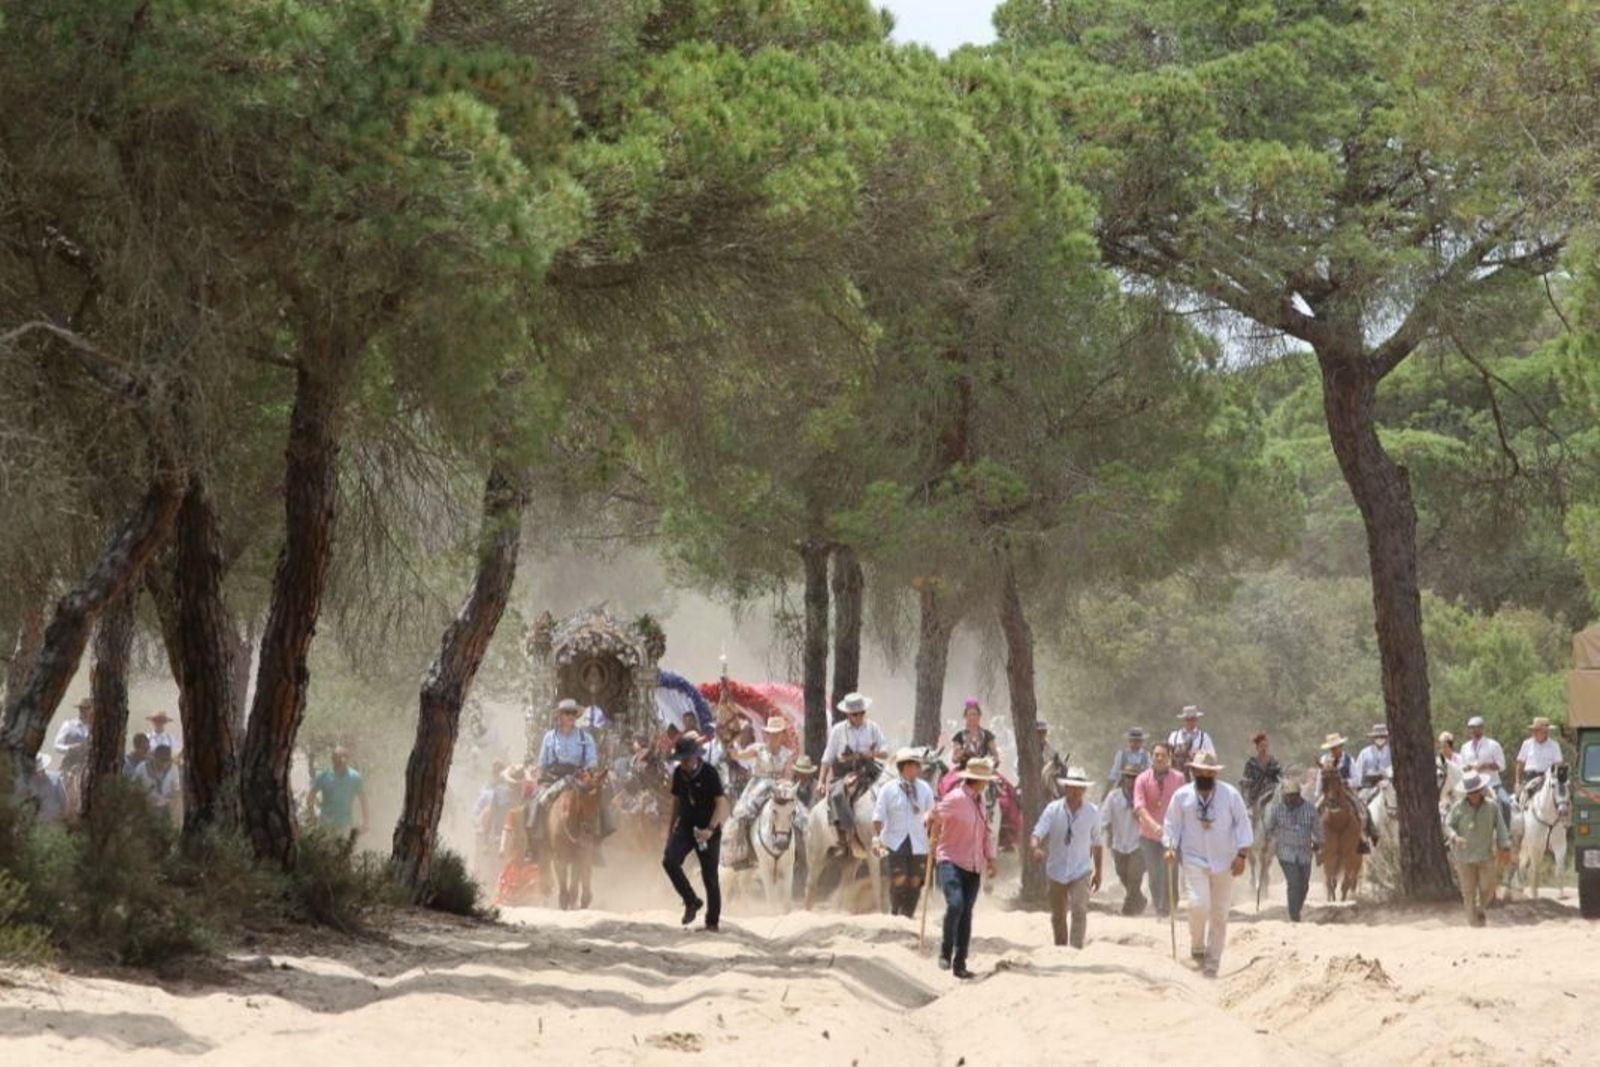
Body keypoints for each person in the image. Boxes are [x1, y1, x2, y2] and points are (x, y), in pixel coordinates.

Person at [1163, 751, 1252, 979]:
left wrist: (1242, 854)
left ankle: (1212, 964)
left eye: (1209, 772)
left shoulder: (1230, 795)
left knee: (1220, 914)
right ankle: (1197, 945)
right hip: (1194, 859)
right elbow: (1171, 824)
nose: (1204, 774)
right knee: (1198, 904)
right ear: (1193, 771)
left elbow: (1243, 823)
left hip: (1226, 861)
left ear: (1215, 773)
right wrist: (1170, 847)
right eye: (1200, 771)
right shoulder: (1182, 796)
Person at [932, 757, 998, 978]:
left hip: (973, 865)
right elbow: (934, 815)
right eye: (984, 780)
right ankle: (945, 951)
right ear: (976, 780)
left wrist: (991, 858)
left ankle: (960, 963)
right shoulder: (955, 798)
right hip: (950, 860)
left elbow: (986, 832)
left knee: (967, 912)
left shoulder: (981, 802)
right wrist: (930, 821)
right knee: (956, 904)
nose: (986, 784)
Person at [662, 735, 728, 931]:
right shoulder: (678, 774)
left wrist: (710, 829)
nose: (684, 763)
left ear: (695, 757)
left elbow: (721, 803)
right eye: (681, 760)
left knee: (710, 877)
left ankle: (712, 922)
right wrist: (670, 829)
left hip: (708, 828)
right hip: (685, 827)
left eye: (687, 759)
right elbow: (675, 802)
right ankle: (691, 900)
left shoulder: (709, 773)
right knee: (669, 861)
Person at [1032, 767, 1103, 948]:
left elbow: (1097, 843)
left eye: (1080, 787)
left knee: (1079, 909)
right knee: (1058, 914)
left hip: (1081, 870)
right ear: (1066, 788)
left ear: (1084, 790)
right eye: (1072, 787)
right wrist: (1036, 848)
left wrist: (1099, 872)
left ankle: (1076, 947)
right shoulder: (1053, 809)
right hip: (1056, 869)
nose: (1075, 791)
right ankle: (1061, 947)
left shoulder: (1092, 812)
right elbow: (1037, 833)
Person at [526, 698, 602, 855]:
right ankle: (536, 843)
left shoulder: (586, 738)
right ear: (559, 716)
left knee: (597, 802)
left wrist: (587, 773)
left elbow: (592, 762)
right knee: (537, 801)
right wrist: (538, 774)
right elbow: (542, 762)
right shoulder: (549, 737)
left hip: (578, 778)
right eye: (567, 713)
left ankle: (596, 845)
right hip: (553, 778)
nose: (571, 716)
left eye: (573, 713)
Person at [820, 692, 888, 856]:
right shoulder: (838, 730)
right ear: (848, 714)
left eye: (862, 713)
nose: (859, 717)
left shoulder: (873, 727)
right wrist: (821, 781)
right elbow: (828, 757)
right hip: (847, 771)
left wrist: (870, 754)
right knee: (836, 794)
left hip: (871, 769)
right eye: (855, 714)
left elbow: (885, 751)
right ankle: (844, 835)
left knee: (891, 787)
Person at [725, 716, 798, 869]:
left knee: (799, 815)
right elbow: (739, 755)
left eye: (777, 733)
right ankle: (740, 852)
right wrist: (731, 746)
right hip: (758, 786)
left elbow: (788, 776)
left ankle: (798, 854)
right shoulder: (758, 749)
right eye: (771, 733)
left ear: (782, 735)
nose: (774, 737)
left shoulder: (788, 754)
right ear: (766, 735)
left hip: (779, 787)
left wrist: (781, 786)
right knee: (742, 814)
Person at [872, 748, 937, 918]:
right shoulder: (888, 789)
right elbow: (878, 816)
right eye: (916, 765)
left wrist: (933, 822)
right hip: (895, 841)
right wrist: (875, 839)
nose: (919, 769)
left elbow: (931, 812)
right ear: (905, 767)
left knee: (915, 880)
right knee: (900, 879)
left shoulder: (925, 789)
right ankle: (895, 912)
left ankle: (908, 915)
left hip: (919, 842)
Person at [1446, 772, 1511, 927]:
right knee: (1468, 894)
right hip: (1463, 857)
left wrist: (1505, 846)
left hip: (1485, 856)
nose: (1473, 794)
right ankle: (1474, 926)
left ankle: (1480, 909)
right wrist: (1454, 837)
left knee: (1487, 888)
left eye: (1476, 791)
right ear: (1466, 793)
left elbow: (1501, 828)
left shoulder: (1492, 807)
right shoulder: (1458, 807)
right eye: (1470, 792)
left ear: (1481, 789)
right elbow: (1448, 825)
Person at [1133, 742, 1186, 918]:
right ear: (1151, 757)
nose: (1159, 758)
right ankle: (1158, 904)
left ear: (1170, 758)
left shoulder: (1179, 778)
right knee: (1154, 874)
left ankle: (1168, 907)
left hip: (1171, 834)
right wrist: (1153, 825)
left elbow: (1183, 804)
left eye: (1163, 755)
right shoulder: (1142, 779)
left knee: (1169, 869)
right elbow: (1139, 806)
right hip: (1148, 834)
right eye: (1156, 754)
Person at [1267, 778, 1322, 922]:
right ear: (1284, 795)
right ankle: (1294, 916)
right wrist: (1270, 840)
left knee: (1304, 886)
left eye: (1294, 795)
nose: (1291, 799)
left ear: (1299, 795)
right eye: (1288, 795)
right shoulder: (1277, 809)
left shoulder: (1310, 809)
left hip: (1305, 853)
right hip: (1286, 853)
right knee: (1293, 883)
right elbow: (1270, 828)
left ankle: (1296, 908)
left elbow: (1318, 830)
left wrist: (1319, 843)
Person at [1099, 764, 1147, 915]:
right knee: (1123, 874)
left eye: (1134, 777)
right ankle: (1139, 899)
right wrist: (1107, 834)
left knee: (1134, 874)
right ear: (1123, 778)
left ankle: (1129, 907)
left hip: (1139, 843)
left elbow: (1154, 818)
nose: (1131, 781)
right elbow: (1104, 818)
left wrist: (1141, 817)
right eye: (1128, 777)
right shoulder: (1114, 796)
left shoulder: (1144, 796)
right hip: (1119, 843)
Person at [1459, 716, 1510, 824]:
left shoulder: (1493, 745)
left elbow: (1502, 765)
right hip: (1471, 786)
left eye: (1476, 727)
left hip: (1492, 784)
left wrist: (1484, 766)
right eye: (1471, 727)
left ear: (1482, 728)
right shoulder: (1465, 747)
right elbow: (1461, 766)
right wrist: (1468, 767)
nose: (1473, 730)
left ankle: (1506, 833)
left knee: (1506, 802)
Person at [310, 745, 369, 838]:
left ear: (348, 759)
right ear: (333, 759)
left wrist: (366, 822)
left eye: (345, 756)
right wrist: (311, 817)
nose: (342, 760)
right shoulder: (324, 775)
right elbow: (311, 796)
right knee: (326, 850)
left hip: (345, 824)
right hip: (326, 824)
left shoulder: (355, 777)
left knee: (343, 849)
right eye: (339, 757)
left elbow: (363, 800)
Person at [1514, 716, 1565, 797]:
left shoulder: (1554, 745)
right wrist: (1517, 783)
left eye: (1544, 731)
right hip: (1530, 778)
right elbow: (1520, 764)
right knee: (1517, 800)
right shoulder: (1526, 744)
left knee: (1561, 800)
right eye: (1537, 730)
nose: (1541, 732)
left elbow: (1558, 764)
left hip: (1548, 779)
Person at [134, 744, 182, 821]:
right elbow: (132, 788)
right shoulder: (141, 768)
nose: (164, 765)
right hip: (144, 808)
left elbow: (177, 789)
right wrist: (144, 796)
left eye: (166, 761)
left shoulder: (173, 769)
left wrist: (173, 794)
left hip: (165, 808)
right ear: (154, 757)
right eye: (161, 761)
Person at [950, 700, 1001, 770]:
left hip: (984, 771)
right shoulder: (958, 736)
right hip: (964, 770)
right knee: (947, 781)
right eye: (969, 715)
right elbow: (954, 759)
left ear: (979, 716)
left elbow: (995, 756)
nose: (972, 717)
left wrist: (993, 762)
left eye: (974, 714)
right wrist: (960, 755)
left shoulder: (988, 735)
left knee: (1001, 781)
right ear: (965, 717)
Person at [19, 753, 69, 824]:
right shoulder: (26, 786)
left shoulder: (55, 779)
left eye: (41, 770)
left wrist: (62, 818)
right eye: (36, 772)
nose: (40, 774)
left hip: (55, 823)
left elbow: (64, 802)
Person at [1167, 705, 1215, 777]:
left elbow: (1212, 757)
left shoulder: (1204, 737)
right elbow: (1168, 757)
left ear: (1196, 719)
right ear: (1184, 719)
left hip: (1198, 775)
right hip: (1177, 774)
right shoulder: (1174, 736)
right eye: (1188, 719)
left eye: (1192, 719)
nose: (1190, 721)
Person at [1240, 732, 1282, 809]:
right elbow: (1245, 780)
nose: (1264, 748)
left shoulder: (1274, 762)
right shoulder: (1251, 763)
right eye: (1261, 746)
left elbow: (1280, 777)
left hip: (1272, 794)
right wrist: (1247, 784)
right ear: (1257, 748)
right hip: (1255, 795)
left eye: (1265, 746)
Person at [53, 698, 93, 773]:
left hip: (88, 768)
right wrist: (69, 748)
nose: (85, 712)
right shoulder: (68, 724)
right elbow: (56, 745)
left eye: (88, 709)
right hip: (70, 765)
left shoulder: (96, 728)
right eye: (82, 709)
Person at [1105, 728, 1150, 793]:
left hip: (1140, 789)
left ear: (1142, 742)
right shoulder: (1121, 754)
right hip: (1123, 788)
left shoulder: (1146, 756)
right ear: (1129, 741)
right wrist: (1106, 792)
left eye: (1138, 741)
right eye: (1133, 740)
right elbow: (1114, 774)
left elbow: (1149, 775)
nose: (1136, 743)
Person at [1314, 733, 1356, 799]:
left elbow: (1357, 780)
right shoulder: (1324, 759)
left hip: (1347, 791)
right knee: (1317, 807)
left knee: (1360, 805)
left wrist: (1346, 782)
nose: (1334, 750)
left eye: (1336, 747)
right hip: (1328, 793)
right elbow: (1320, 778)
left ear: (1341, 746)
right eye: (1332, 748)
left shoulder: (1349, 760)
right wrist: (1317, 793)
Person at [1353, 724, 1393, 790]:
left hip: (1389, 787)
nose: (1379, 739)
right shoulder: (1364, 753)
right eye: (1377, 737)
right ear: (1373, 738)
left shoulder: (1392, 752)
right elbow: (1358, 773)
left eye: (1382, 736)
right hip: (1368, 788)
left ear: (1386, 737)